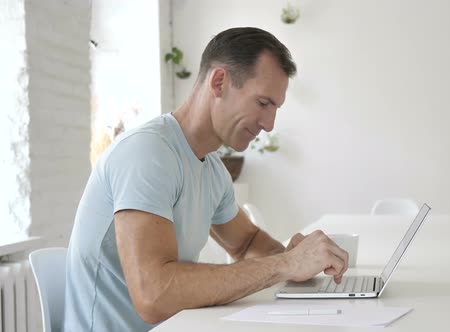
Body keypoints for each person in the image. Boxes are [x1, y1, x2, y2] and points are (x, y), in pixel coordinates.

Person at [64, 27, 349, 331]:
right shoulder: (147, 153)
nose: (269, 124)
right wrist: (285, 265)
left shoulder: (211, 168)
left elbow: (246, 243)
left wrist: (294, 256)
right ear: (219, 82)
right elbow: (153, 295)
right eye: (263, 103)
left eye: (275, 109)